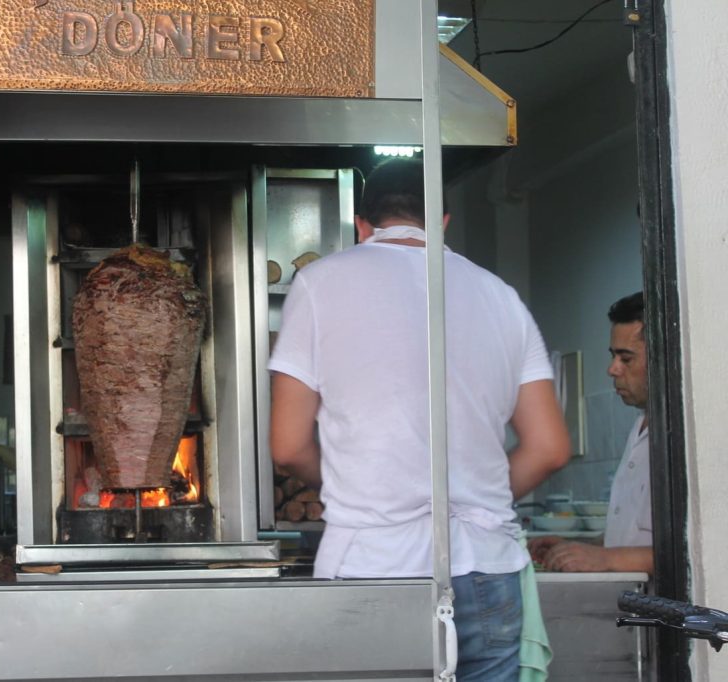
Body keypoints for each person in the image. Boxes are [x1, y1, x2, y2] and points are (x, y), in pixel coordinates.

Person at [269, 158, 571, 682]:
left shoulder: (320, 283)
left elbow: (289, 446)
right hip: (487, 570)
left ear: (361, 224)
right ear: (443, 223)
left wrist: (354, 481)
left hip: (373, 566)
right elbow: (548, 448)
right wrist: (479, 496)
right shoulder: (502, 298)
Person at [529, 292, 654, 574]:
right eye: (613, 356)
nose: (612, 369)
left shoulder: (688, 439)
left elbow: (699, 548)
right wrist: (580, 549)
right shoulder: (639, 428)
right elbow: (633, 538)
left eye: (626, 358)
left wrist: (607, 560)